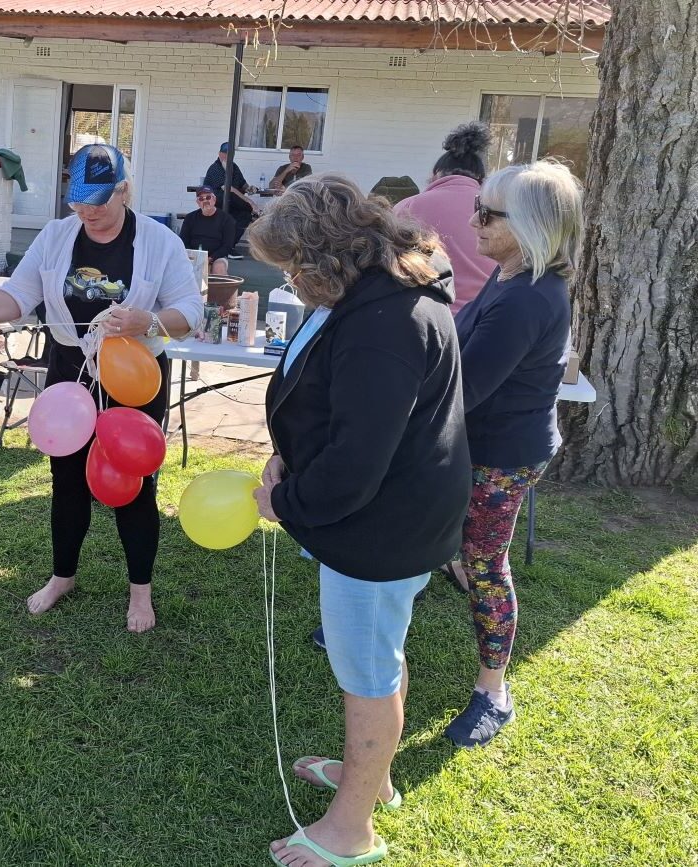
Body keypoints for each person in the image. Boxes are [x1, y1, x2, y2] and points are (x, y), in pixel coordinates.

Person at [250, 174, 470, 866]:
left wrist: (284, 502)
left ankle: (352, 829)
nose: (291, 283)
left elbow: (355, 462)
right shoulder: (378, 292)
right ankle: (372, 778)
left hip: (381, 529)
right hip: (399, 516)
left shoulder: (385, 324)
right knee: (381, 653)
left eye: (291, 270)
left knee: (367, 669)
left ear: (320, 258)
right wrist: (291, 457)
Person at [0, 144, 202, 633]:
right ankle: (63, 576)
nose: (87, 212)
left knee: (135, 484)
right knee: (66, 480)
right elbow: (19, 294)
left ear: (125, 190)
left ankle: (140, 592)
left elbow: (189, 313)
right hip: (70, 371)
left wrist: (146, 319)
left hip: (135, 373)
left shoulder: (159, 241)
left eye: (99, 202)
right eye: (78, 202)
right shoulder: (56, 236)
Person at [444, 160, 583, 749]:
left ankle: (494, 691)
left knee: (484, 563)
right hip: (481, 443)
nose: (473, 221)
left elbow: (464, 388)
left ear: (527, 225)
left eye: (488, 214)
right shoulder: (509, 277)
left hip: (503, 455)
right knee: (452, 543)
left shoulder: (526, 298)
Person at [394, 122, 496, 315]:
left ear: (436, 174)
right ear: (481, 178)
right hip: (484, 319)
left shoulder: (408, 207)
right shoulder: (496, 211)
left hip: (425, 317)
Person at [203, 142, 259, 248]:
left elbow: (243, 184)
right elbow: (229, 189)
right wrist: (250, 202)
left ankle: (230, 246)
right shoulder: (215, 168)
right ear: (219, 154)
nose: (227, 156)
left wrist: (250, 188)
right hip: (217, 204)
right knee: (244, 207)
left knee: (245, 216)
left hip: (232, 204)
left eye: (230, 154)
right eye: (225, 153)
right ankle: (258, 213)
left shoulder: (234, 166)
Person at [178, 185, 235, 276]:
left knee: (219, 267)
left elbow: (227, 246)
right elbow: (183, 241)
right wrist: (194, 256)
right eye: (201, 199)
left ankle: (222, 290)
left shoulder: (227, 219)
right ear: (198, 202)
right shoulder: (190, 218)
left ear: (214, 199)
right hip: (193, 256)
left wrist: (210, 258)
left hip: (216, 257)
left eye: (208, 197)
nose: (205, 201)